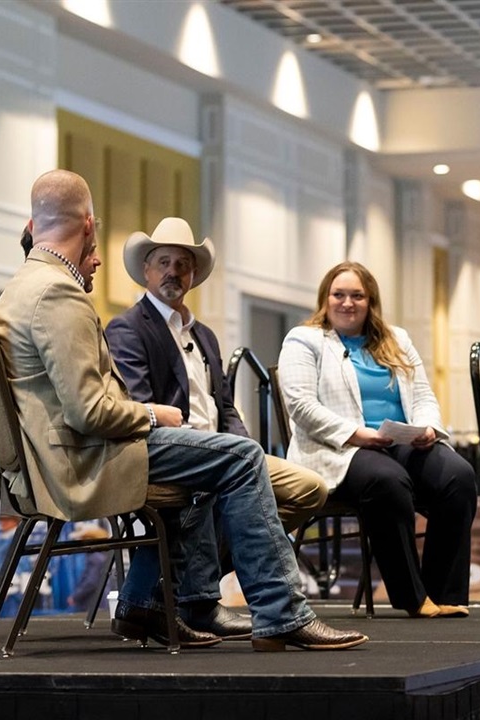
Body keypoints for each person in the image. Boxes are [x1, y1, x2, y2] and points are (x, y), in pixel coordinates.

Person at [0, 169, 367, 652]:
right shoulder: (58, 291)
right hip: (84, 462)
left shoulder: (23, 286)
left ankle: (152, 603)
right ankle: (281, 614)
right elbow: (88, 413)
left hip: (60, 458)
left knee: (222, 461)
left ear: (32, 222)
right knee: (241, 459)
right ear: (89, 224)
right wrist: (151, 415)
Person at [104, 217, 328, 640]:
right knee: (224, 478)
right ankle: (209, 602)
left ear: (193, 275)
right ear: (147, 271)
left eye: (183, 264)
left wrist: (244, 447)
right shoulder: (127, 328)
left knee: (309, 488)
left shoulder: (204, 334)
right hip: (170, 452)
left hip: (225, 453)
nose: (174, 271)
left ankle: (188, 589)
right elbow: (136, 403)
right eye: (164, 262)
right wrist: (225, 453)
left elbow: (225, 406)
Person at [277, 261, 478, 618]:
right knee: (387, 481)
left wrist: (428, 427)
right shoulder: (303, 340)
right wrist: (356, 433)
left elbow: (423, 396)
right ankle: (413, 598)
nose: (347, 303)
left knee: (457, 477)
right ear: (325, 298)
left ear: (371, 302)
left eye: (358, 295)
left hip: (399, 442)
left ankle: (444, 593)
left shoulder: (397, 339)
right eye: (339, 294)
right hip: (337, 449)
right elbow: (301, 406)